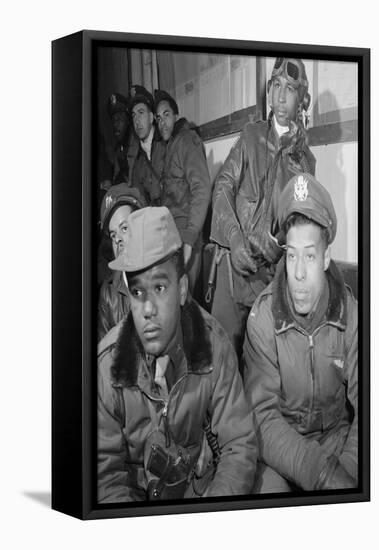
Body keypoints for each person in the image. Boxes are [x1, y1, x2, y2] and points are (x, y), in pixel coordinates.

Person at [98, 206, 257, 503]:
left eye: (159, 287)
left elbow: (239, 445)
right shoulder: (107, 368)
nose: (147, 309)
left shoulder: (213, 344)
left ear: (182, 289)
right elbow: (105, 478)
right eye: (137, 292)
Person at [243, 173, 358, 493]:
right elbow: (262, 418)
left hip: (339, 443)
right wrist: (319, 473)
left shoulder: (349, 312)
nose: (298, 273)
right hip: (280, 449)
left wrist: (345, 469)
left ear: (325, 257)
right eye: (291, 255)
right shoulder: (262, 318)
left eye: (309, 255)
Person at [210, 58, 315, 360]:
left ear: (301, 99)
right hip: (232, 271)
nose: (282, 97)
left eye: (291, 89)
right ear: (269, 92)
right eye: (277, 86)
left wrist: (278, 246)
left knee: (261, 369)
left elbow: (303, 226)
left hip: (269, 281)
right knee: (221, 363)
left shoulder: (306, 162)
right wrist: (233, 237)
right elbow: (223, 187)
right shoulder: (250, 137)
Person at [154, 90, 211, 295]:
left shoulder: (187, 140)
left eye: (166, 115)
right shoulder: (171, 146)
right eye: (158, 119)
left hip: (188, 240)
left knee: (186, 304)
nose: (162, 123)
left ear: (176, 115)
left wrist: (188, 240)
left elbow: (202, 189)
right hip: (174, 240)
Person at [97, 184, 146, 341]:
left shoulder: (167, 277)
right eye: (113, 234)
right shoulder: (108, 294)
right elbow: (103, 357)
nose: (117, 239)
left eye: (124, 228)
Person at [128, 85, 166, 205]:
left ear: (151, 117)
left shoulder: (166, 143)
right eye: (133, 115)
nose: (137, 121)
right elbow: (139, 199)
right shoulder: (137, 158)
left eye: (141, 113)